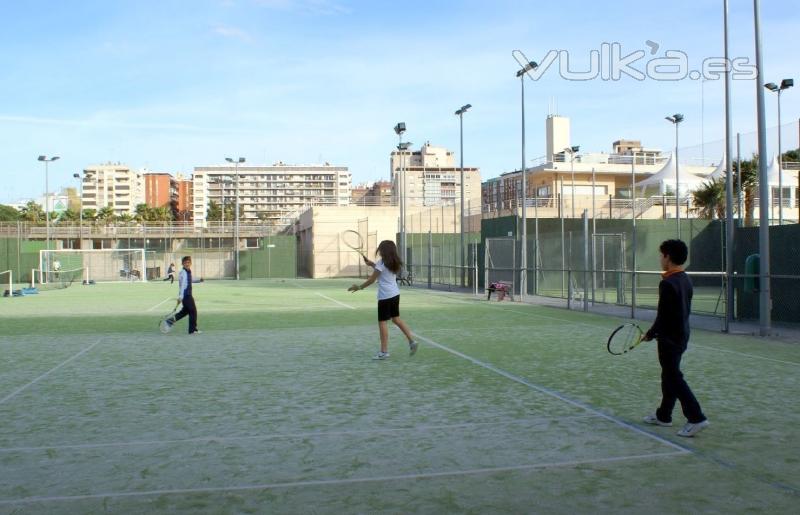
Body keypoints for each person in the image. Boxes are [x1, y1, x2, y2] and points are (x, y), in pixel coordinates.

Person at [641, 239, 708, 437]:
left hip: (670, 338)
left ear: (667, 256)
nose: (660, 259)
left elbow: (664, 316)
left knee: (673, 377)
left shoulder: (668, 283)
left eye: (661, 255)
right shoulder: (685, 279)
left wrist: (651, 333)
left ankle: (696, 417)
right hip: (681, 335)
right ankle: (664, 415)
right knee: (669, 374)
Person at [348, 240, 417, 360]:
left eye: (380, 249)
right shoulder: (394, 262)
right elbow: (383, 271)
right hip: (395, 294)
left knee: (382, 322)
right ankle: (412, 341)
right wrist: (372, 264)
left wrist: (359, 287)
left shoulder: (381, 263)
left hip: (385, 297)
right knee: (396, 319)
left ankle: (384, 352)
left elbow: (371, 280)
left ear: (383, 250)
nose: (378, 250)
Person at [165, 256, 201, 335]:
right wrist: (181, 296)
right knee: (193, 311)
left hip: (188, 294)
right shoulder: (183, 273)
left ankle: (169, 321)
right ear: (182, 264)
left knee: (185, 311)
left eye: (188, 262)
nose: (187, 264)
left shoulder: (188, 271)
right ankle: (192, 330)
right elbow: (182, 285)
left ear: (190, 263)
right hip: (186, 295)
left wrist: (199, 280)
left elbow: (190, 280)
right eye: (185, 263)